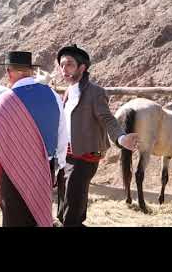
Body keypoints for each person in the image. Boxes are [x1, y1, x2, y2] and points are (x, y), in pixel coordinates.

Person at [0, 51, 68, 227]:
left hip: (15, 171)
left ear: (11, 72)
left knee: (14, 221)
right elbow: (63, 135)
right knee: (36, 219)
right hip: (44, 169)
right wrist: (57, 166)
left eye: (8, 71)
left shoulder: (7, 99)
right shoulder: (53, 96)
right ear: (30, 71)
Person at [56, 44, 138, 227]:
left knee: (71, 211)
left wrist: (121, 138)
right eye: (61, 65)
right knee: (64, 210)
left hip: (84, 157)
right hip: (66, 156)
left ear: (82, 68)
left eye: (69, 64)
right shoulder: (69, 91)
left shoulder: (95, 92)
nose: (64, 69)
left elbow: (107, 119)